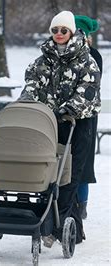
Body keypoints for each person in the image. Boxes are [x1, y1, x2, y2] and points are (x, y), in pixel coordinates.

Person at [19, 11, 101, 247]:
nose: (59, 34)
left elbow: (87, 91)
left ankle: (57, 227)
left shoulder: (87, 60)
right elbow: (32, 84)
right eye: (54, 30)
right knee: (46, 172)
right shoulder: (43, 59)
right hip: (47, 123)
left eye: (63, 30)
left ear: (72, 31)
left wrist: (66, 110)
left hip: (77, 124)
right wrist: (28, 104)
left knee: (69, 177)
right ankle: (64, 222)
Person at [74, 14, 102, 220]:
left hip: (86, 117)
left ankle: (81, 205)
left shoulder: (93, 56)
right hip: (61, 117)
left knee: (83, 165)